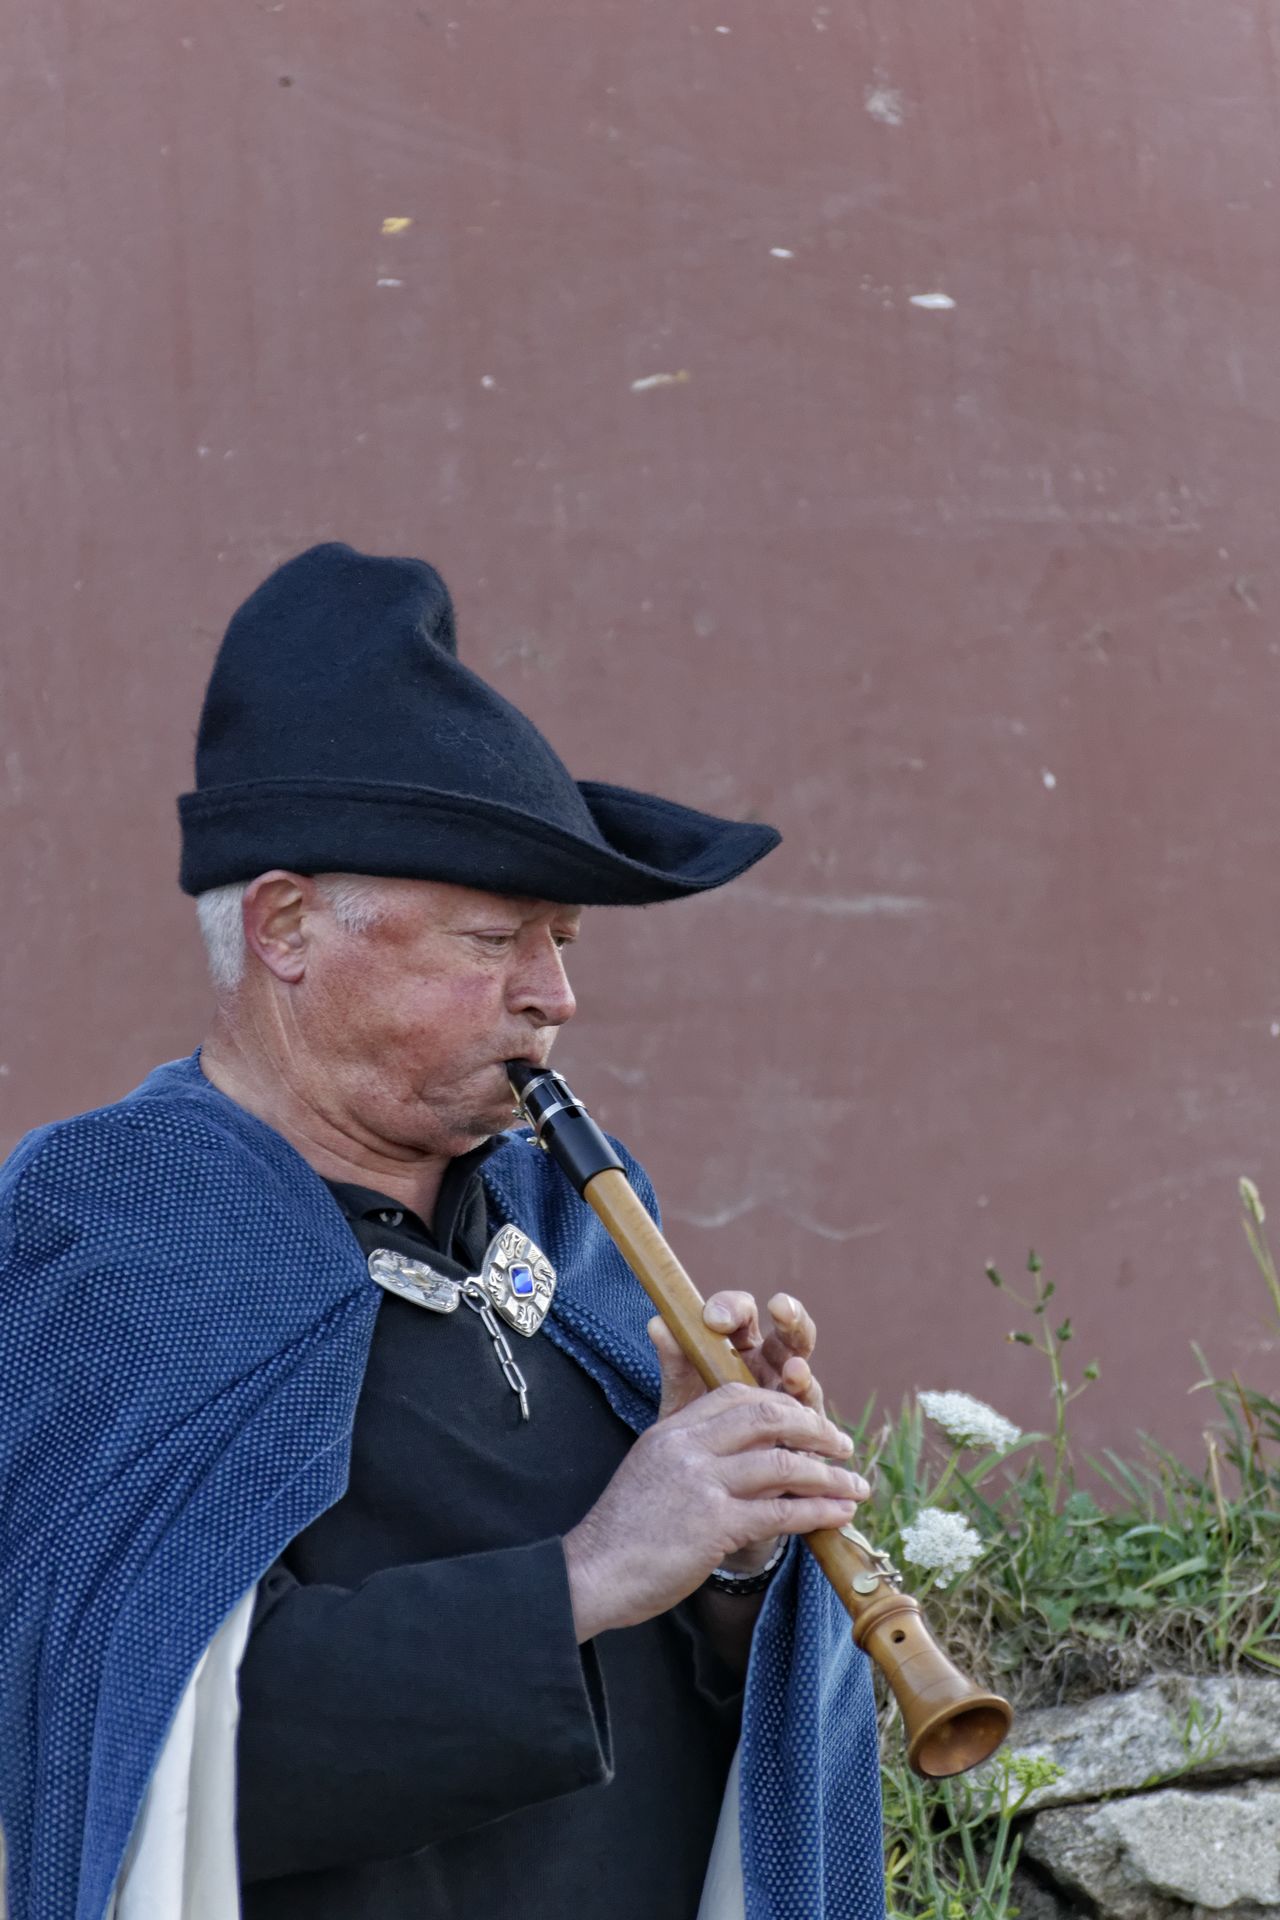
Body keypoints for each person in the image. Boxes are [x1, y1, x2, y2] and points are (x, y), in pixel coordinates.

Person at [0, 544, 886, 1920]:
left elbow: (688, 1690)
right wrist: (589, 1573)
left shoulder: (565, 1216)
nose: (553, 997)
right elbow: (133, 1742)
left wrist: (733, 1550)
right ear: (289, 927)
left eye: (565, 942)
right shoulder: (119, 1228)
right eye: (494, 940)